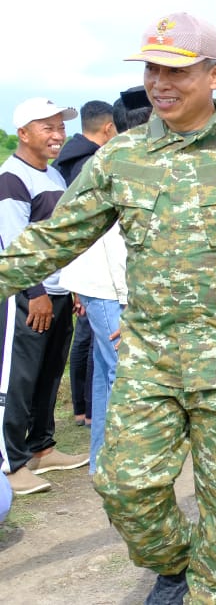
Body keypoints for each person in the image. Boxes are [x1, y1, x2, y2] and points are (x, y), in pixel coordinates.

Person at [0, 12, 216, 603]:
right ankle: (178, 565)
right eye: (152, 70)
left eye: (176, 71)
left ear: (215, 75)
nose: (161, 83)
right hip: (149, 360)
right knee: (122, 485)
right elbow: (53, 239)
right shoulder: (121, 157)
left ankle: (213, 591)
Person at [0, 98, 86, 497]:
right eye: (47, 127)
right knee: (18, 379)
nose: (58, 135)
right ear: (23, 133)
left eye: (61, 127)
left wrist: (75, 285)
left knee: (49, 373)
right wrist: (34, 293)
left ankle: (41, 447)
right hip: (27, 295)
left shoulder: (53, 175)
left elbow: (65, 236)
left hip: (59, 290)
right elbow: (12, 243)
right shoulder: (11, 178)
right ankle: (10, 463)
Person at [55, 100, 126, 475]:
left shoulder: (84, 160)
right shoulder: (102, 164)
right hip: (106, 284)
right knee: (120, 372)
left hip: (94, 281)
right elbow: (110, 239)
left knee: (103, 372)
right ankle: (116, 466)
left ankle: (100, 462)